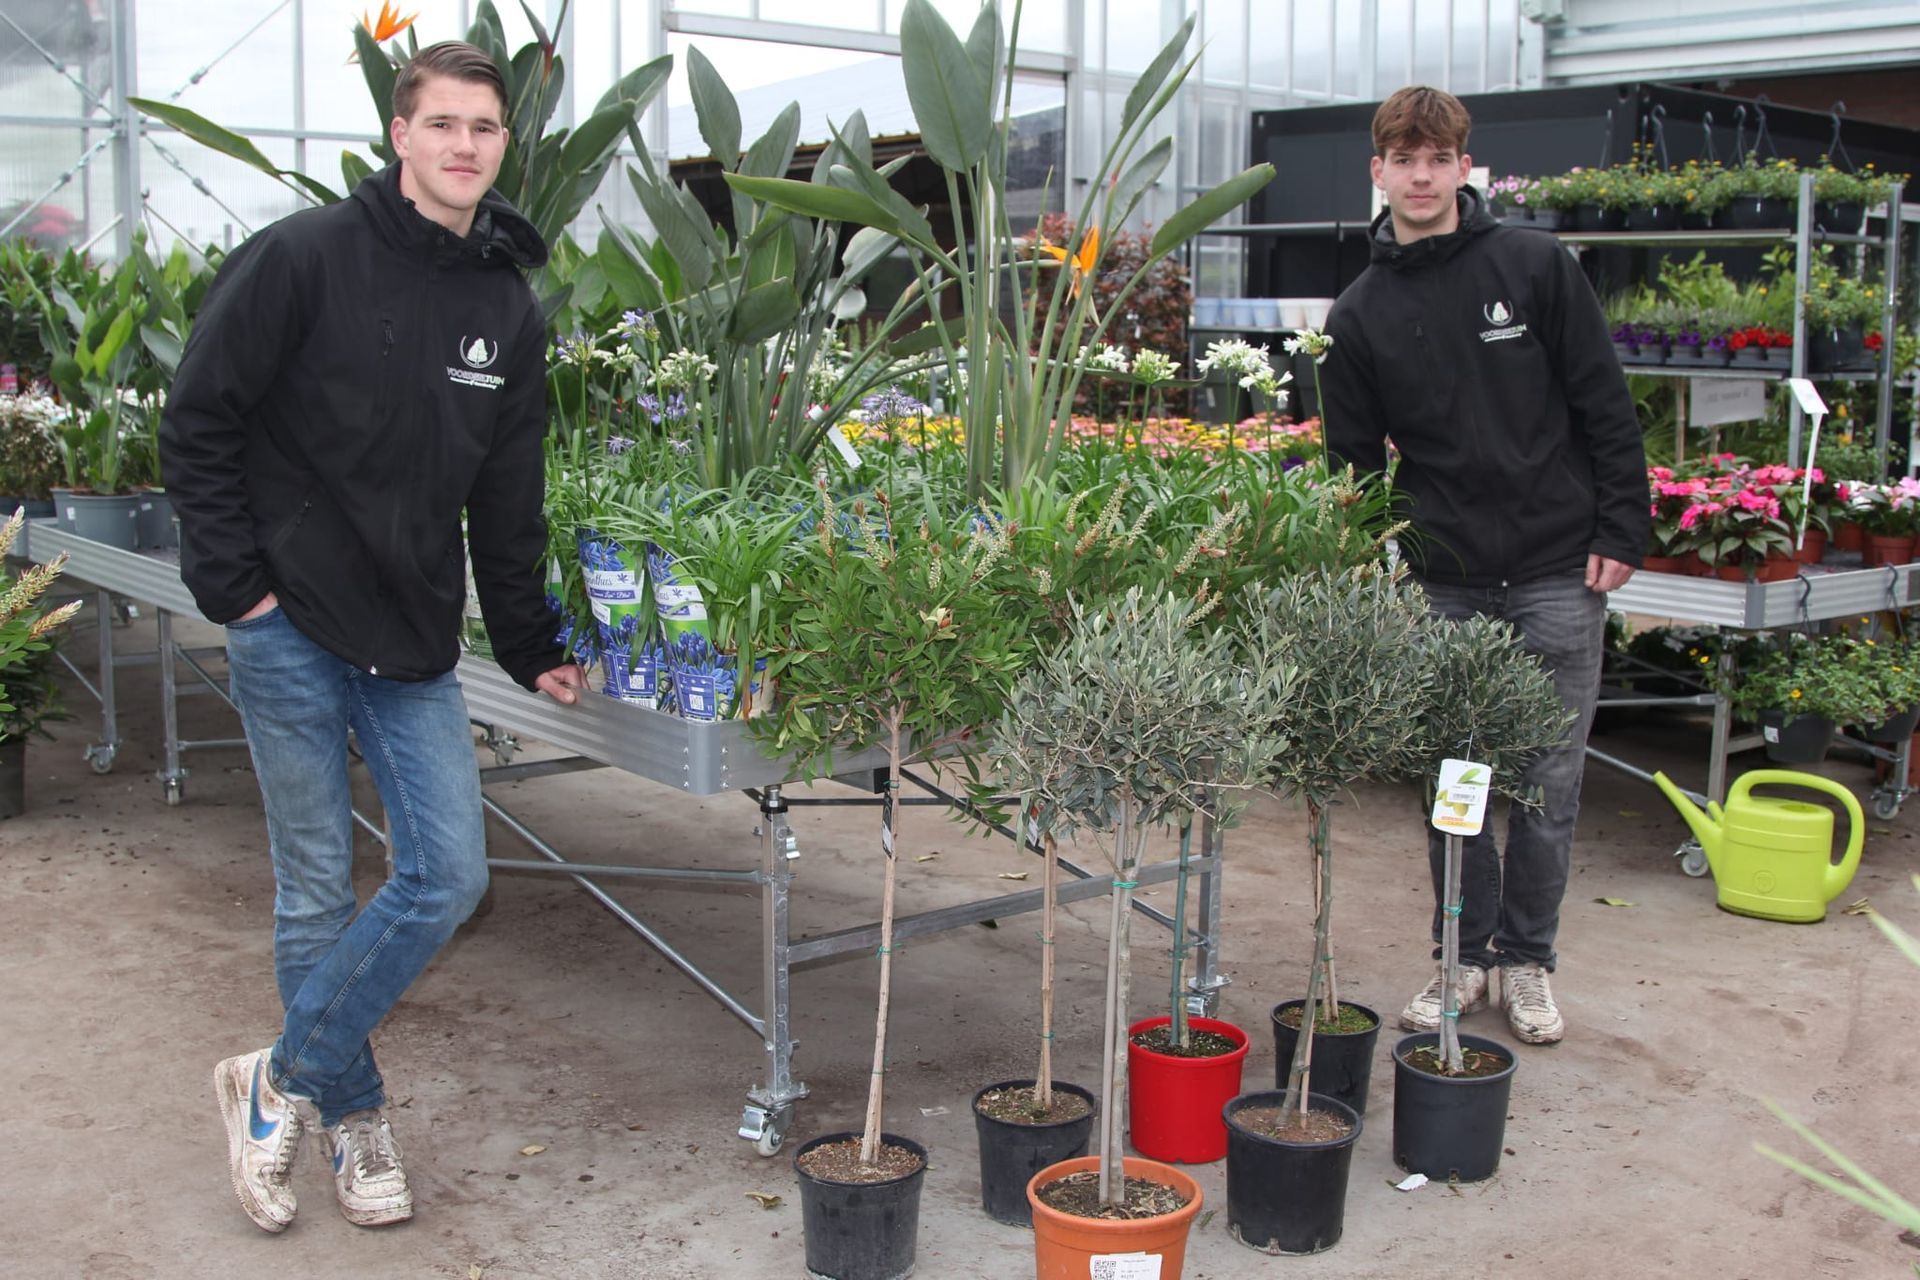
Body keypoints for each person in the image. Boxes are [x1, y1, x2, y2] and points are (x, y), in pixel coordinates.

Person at [161, 41, 586, 1233]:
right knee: (312, 891)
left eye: (484, 128)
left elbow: (509, 498)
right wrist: (236, 588)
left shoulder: (503, 305)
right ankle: (351, 1120)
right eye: (442, 123)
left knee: (448, 876)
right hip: (286, 623)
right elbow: (198, 416)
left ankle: (275, 1076)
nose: (463, 145)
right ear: (401, 134)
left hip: (409, 638)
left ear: (506, 145)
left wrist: (530, 632)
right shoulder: (303, 258)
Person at [1321, 85, 1649, 1046]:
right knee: (1457, 786)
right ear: (1377, 172)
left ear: (1466, 167)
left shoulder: (1537, 267)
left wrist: (1621, 529)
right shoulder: (1358, 313)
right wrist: (1359, 569)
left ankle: (1530, 962)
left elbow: (1604, 404)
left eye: (1438, 158)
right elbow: (1351, 469)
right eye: (1403, 159)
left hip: (1557, 571)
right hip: (1446, 584)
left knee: (1547, 786)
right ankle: (1464, 958)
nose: (1421, 177)